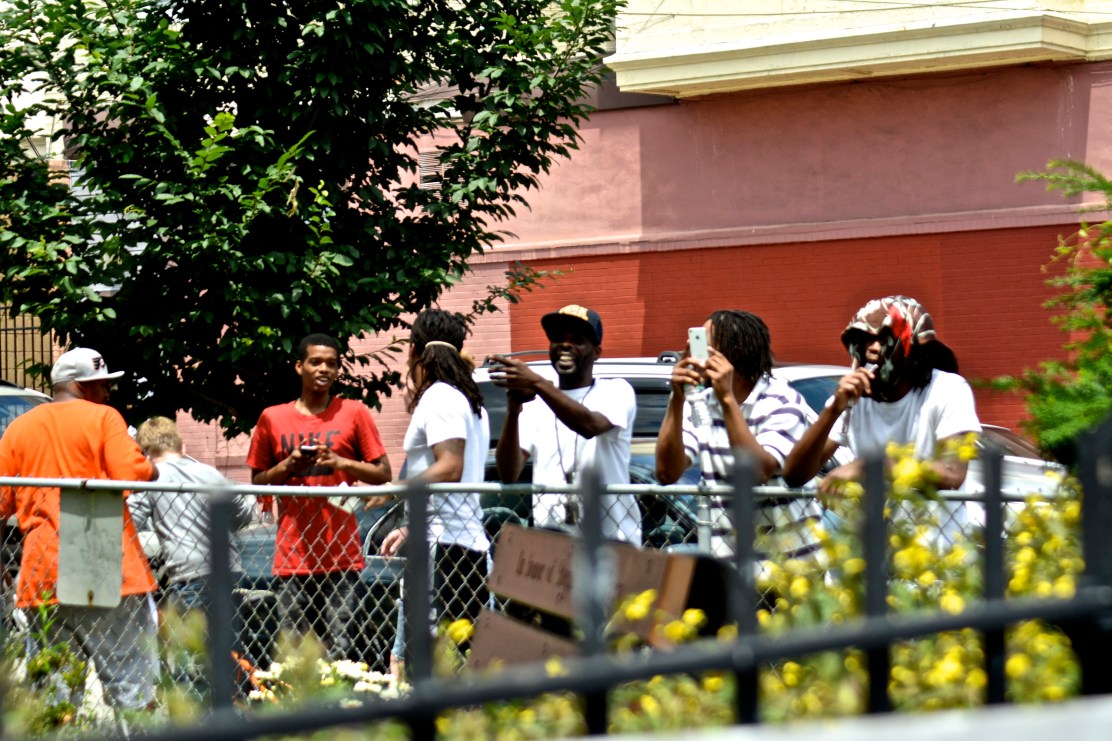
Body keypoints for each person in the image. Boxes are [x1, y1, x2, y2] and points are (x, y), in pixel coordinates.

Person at [0, 347, 160, 711]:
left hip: (43, 574)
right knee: (132, 688)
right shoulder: (104, 417)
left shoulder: (17, 428)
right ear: (79, 386)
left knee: (53, 699)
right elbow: (131, 473)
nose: (106, 393)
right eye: (100, 385)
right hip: (107, 568)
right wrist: (152, 469)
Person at [246, 333, 392, 660]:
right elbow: (257, 482)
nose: (324, 369)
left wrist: (341, 462)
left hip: (341, 553)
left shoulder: (353, 413)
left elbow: (384, 473)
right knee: (295, 649)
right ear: (299, 366)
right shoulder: (273, 417)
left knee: (341, 648)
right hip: (292, 553)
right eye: (315, 362)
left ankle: (341, 708)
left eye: (332, 363)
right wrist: (290, 463)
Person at [655, 310, 826, 558]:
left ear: (731, 353)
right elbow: (666, 472)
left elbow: (758, 470)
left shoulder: (782, 401)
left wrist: (727, 399)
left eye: (705, 343)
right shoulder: (701, 403)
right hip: (731, 566)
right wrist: (678, 397)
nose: (696, 351)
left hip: (792, 567)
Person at [380, 309, 491, 673]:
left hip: (444, 553)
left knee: (426, 664)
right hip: (453, 544)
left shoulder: (441, 397)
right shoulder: (467, 399)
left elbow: (450, 467)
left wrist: (393, 488)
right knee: (457, 660)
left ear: (414, 350)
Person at [782, 295, 981, 493]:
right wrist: (833, 410)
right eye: (865, 339)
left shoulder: (947, 388)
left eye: (884, 339)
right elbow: (795, 476)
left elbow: (951, 473)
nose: (872, 348)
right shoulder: (852, 399)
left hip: (940, 524)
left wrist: (870, 467)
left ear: (914, 349)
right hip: (875, 523)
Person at [491, 304, 640, 544]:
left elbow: (589, 426)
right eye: (558, 338)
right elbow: (508, 473)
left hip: (611, 541)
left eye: (577, 340)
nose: (565, 345)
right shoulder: (536, 403)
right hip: (553, 545)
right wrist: (513, 409)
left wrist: (539, 383)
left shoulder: (616, 391)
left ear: (597, 352)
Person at [130, 416, 255, 610]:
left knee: (185, 638)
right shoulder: (210, 473)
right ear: (183, 447)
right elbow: (243, 516)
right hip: (229, 570)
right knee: (226, 637)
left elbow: (130, 522)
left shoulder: (150, 478)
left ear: (145, 453)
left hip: (188, 574)